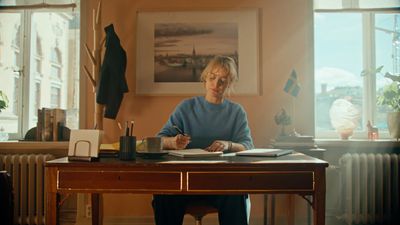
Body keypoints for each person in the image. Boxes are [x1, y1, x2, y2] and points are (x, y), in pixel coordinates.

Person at [153, 55, 254, 225]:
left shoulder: (236, 112)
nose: (216, 84)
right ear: (205, 79)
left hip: (220, 181)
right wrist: (172, 142)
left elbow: (247, 146)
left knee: (236, 194)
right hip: (184, 180)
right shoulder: (186, 107)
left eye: (223, 80)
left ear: (229, 84)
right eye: (212, 78)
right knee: (164, 193)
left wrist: (228, 144)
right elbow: (159, 140)